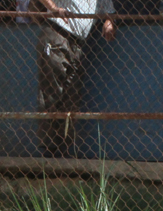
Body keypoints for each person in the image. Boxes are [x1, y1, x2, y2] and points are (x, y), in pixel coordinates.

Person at [35, 0, 117, 158]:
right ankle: (49, 153)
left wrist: (109, 21)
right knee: (52, 93)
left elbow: (110, 12)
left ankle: (63, 150)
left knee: (71, 98)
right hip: (57, 33)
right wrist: (52, 8)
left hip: (78, 45)